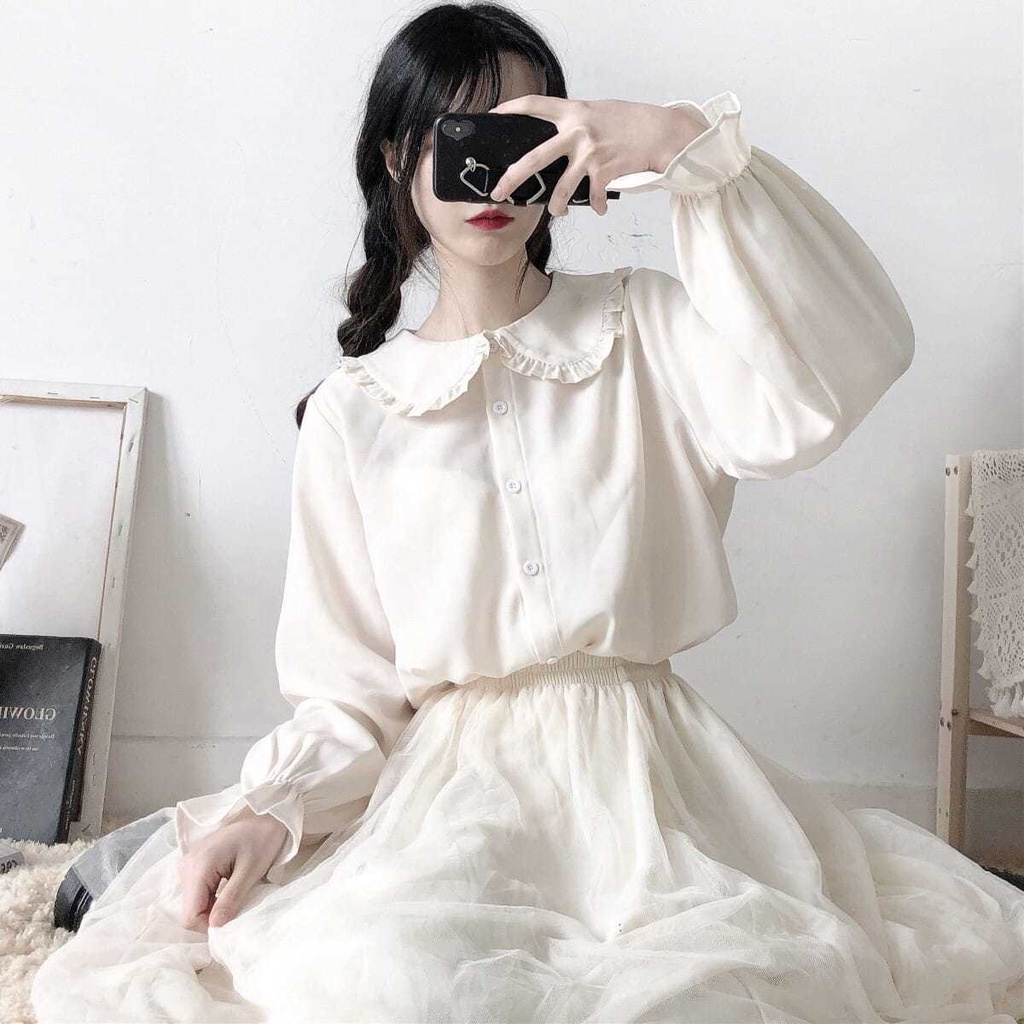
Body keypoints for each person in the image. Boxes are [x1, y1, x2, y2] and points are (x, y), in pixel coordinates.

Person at [30, 3, 1024, 1022]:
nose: (492, 173)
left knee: (723, 985)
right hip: (454, 799)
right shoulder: (355, 412)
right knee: (388, 979)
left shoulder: (646, 326)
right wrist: (273, 812)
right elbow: (350, 692)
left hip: (656, 784)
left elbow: (841, 363)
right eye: (458, 134)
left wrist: (680, 147)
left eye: (523, 134)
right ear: (397, 156)